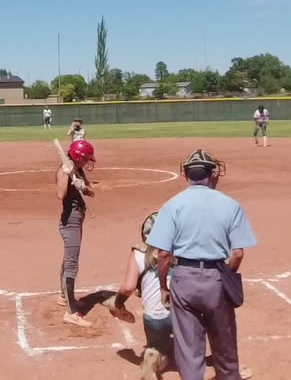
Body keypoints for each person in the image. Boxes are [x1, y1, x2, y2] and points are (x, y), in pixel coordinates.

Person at [146, 150, 257, 380]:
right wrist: (226, 275)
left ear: (186, 175)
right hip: (217, 279)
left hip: (183, 280)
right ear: (211, 174)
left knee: (189, 351)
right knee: (225, 348)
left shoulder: (172, 205)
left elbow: (164, 254)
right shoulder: (230, 205)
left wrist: (164, 288)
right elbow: (237, 253)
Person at [110, 212, 172, 379]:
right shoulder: (181, 250)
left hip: (155, 318)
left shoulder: (138, 253)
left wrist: (118, 303)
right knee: (187, 344)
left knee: (158, 346)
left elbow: (128, 287)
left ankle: (153, 354)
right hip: (183, 314)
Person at [56, 138, 96, 327]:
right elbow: (60, 195)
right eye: (86, 158)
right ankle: (71, 312)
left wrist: (83, 186)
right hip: (69, 222)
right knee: (72, 264)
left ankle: (64, 296)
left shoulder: (77, 170)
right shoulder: (64, 169)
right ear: (79, 156)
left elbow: (92, 192)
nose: (88, 161)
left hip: (78, 219)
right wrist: (66, 176)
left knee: (68, 259)